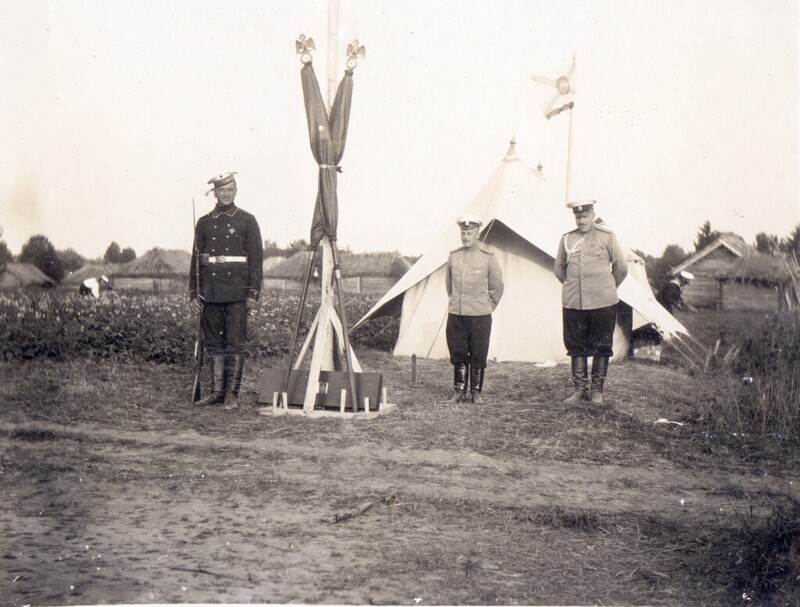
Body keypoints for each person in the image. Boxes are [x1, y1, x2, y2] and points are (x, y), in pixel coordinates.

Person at [190, 172, 263, 410]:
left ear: (236, 191)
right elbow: (195, 260)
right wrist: (194, 292)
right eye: (221, 190)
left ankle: (232, 394)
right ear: (215, 193)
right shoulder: (204, 222)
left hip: (237, 292)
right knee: (213, 343)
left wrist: (253, 292)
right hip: (210, 292)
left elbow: (256, 260)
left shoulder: (247, 220)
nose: (225, 194)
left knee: (235, 343)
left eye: (230, 190)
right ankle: (216, 392)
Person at [554, 200, 628, 406]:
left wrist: (605, 287)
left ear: (593, 215)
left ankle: (597, 392)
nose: (582, 220)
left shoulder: (607, 237)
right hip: (573, 302)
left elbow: (621, 268)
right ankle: (579, 391)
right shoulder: (567, 239)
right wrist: (573, 286)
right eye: (578, 217)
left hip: (602, 302)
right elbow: (559, 269)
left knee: (601, 346)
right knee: (576, 346)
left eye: (585, 216)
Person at [444, 214, 504, 404]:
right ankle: (459, 391)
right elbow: (449, 286)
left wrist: (488, 306)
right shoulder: (453, 256)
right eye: (463, 232)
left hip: (480, 314)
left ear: (478, 233)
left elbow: (497, 286)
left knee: (478, 352)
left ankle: (476, 392)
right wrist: (456, 302)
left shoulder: (488, 257)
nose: (466, 236)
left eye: (470, 232)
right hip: (457, 313)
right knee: (458, 352)